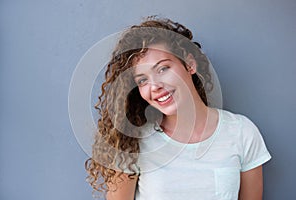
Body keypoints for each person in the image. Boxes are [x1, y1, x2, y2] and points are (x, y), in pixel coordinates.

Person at [85, 16, 271, 200]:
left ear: (189, 64)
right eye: (142, 80)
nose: (155, 85)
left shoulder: (242, 132)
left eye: (163, 69)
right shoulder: (131, 143)